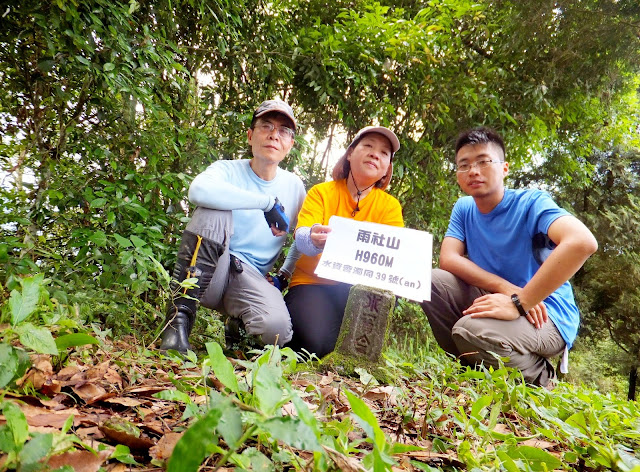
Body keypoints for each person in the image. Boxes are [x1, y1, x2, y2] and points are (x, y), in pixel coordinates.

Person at [421, 126, 598, 387]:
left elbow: (582, 242)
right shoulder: (464, 207)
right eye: (464, 165)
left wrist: (521, 301)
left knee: (469, 330)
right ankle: (471, 370)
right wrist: (507, 290)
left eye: (483, 161)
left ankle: (541, 377)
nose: (473, 171)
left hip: (546, 312)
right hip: (501, 300)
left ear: (504, 168)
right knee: (430, 282)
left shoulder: (531, 203)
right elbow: (448, 259)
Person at [159, 99, 306, 353]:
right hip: (210, 268)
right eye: (266, 126)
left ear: (290, 145)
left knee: (277, 332)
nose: (274, 135)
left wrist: (284, 274)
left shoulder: (294, 187)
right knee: (213, 209)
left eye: (284, 131)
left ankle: (236, 328)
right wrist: (265, 203)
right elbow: (198, 191)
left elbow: (301, 238)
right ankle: (177, 320)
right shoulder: (226, 170)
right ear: (250, 136)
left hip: (250, 277)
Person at [285, 126, 404, 357]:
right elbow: (302, 238)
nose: (374, 154)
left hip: (357, 287)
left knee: (386, 300)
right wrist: (313, 238)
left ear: (387, 168)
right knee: (314, 347)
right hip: (312, 283)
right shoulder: (321, 192)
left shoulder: (390, 206)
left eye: (384, 153)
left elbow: (393, 258)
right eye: (368, 146)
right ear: (350, 154)